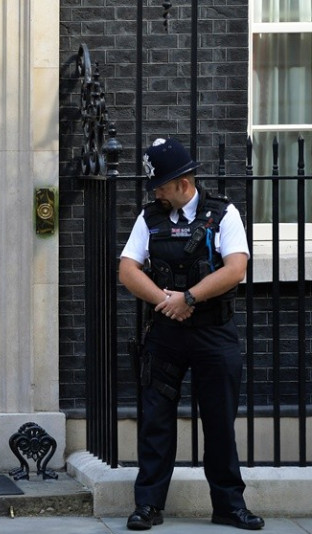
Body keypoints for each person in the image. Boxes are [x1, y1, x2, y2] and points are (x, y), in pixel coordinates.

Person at [118, 138, 264, 531]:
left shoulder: (224, 214)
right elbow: (128, 270)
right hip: (166, 334)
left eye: (161, 185)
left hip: (214, 333)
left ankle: (229, 506)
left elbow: (236, 269)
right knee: (156, 421)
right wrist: (168, 303)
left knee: (219, 422)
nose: (156, 192)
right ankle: (148, 505)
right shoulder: (149, 219)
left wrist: (188, 297)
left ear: (183, 183)